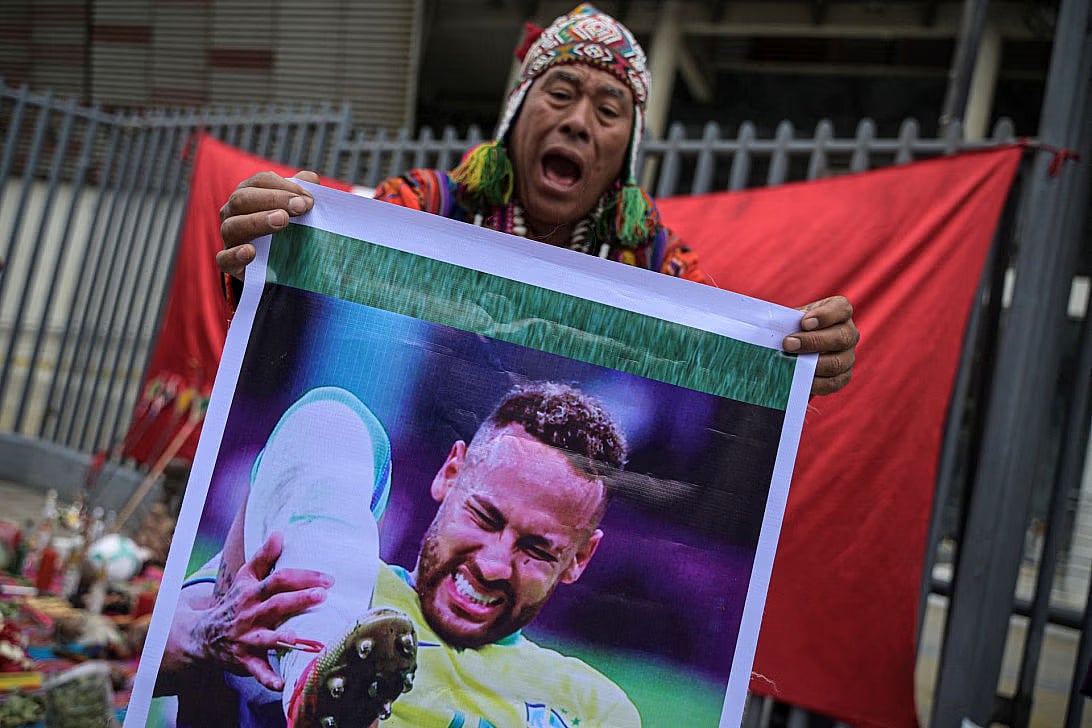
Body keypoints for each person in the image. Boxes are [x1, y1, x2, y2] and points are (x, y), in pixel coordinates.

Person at [215, 4, 859, 397]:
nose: (580, 122)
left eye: (609, 110)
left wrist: (797, 367)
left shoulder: (660, 265)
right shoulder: (423, 206)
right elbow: (299, 306)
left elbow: (725, 378)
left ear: (626, 152)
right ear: (516, 114)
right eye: (560, 93)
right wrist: (271, 250)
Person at [157, 382, 640, 728]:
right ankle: (315, 675)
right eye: (484, 518)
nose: (494, 564)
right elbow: (134, 647)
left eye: (535, 549)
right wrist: (206, 636)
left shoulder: (592, 708)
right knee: (336, 419)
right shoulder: (326, 579)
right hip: (304, 638)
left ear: (579, 559)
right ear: (449, 475)